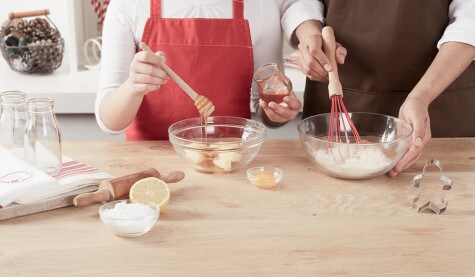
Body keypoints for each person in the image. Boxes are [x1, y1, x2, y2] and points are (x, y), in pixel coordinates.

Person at [95, 0, 325, 140]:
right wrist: (133, 88)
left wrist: (277, 112)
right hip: (150, 165)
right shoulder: (128, 5)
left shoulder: (261, 6)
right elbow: (109, 122)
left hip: (228, 161)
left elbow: (262, 105)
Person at [295, 0, 475, 177]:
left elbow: (470, 19)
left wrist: (421, 97)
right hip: (340, 89)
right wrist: (310, 35)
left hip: (439, 96)